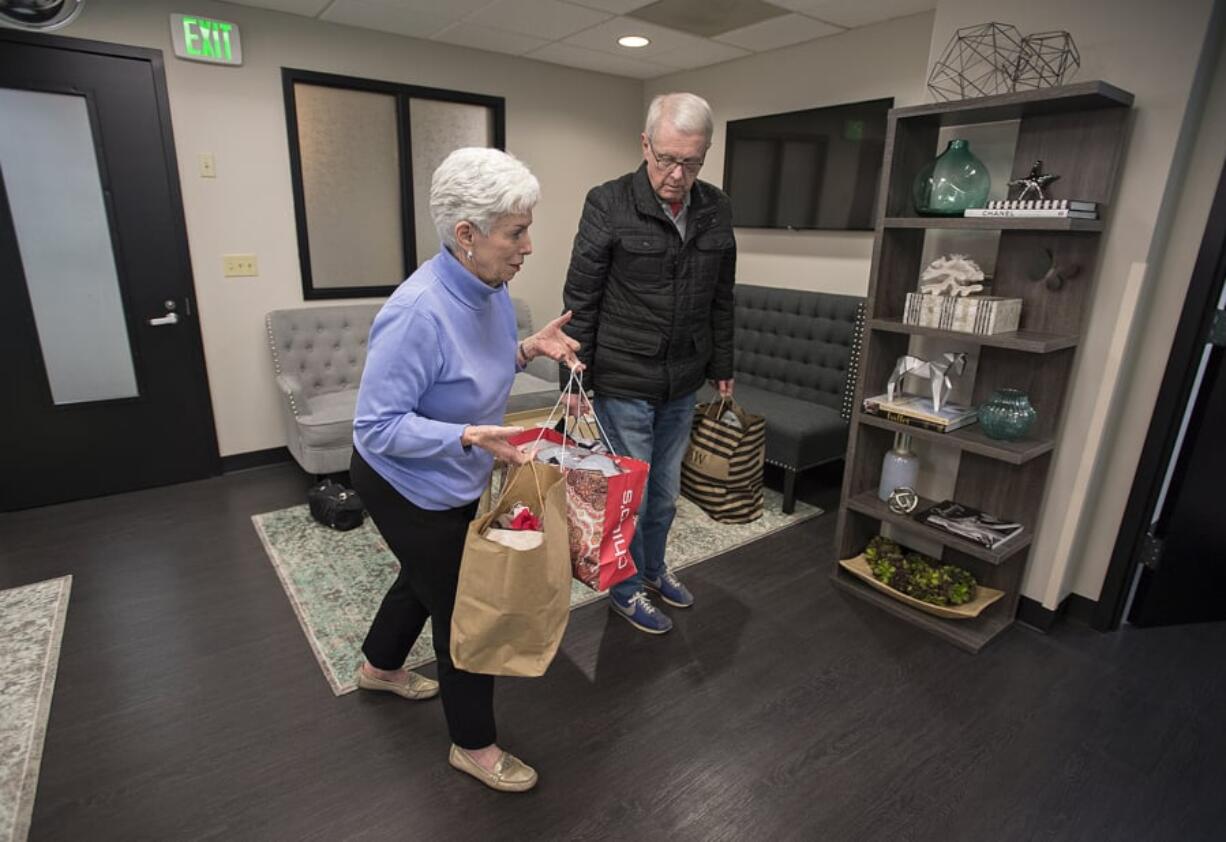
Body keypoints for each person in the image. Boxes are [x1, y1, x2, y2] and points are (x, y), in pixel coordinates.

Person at [350, 147, 581, 793]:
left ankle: (379, 668)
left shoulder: (491, 288)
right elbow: (375, 426)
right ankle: (473, 746)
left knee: (423, 580)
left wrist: (525, 349)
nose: (528, 245)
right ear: (466, 235)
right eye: (516, 231)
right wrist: (469, 436)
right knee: (466, 610)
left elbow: (470, 368)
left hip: (456, 469)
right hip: (400, 480)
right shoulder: (415, 311)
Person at [561, 92, 736, 634]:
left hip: (682, 378)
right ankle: (626, 588)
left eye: (692, 161)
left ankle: (655, 569)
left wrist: (723, 364)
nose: (678, 175)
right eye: (666, 159)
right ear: (645, 145)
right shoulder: (607, 202)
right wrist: (574, 377)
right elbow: (581, 294)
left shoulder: (715, 207)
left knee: (663, 492)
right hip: (623, 378)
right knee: (628, 496)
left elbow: (722, 294)